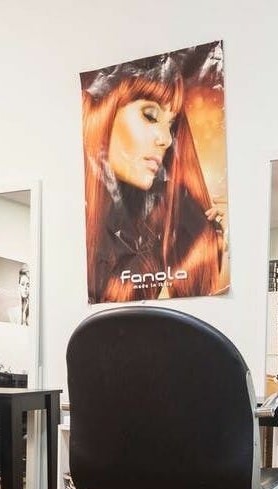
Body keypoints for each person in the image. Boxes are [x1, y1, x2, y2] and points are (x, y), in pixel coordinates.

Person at [81, 45, 228, 303]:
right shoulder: (75, 225)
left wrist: (219, 245)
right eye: (150, 116)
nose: (167, 140)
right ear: (102, 112)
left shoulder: (175, 213)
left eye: (171, 124)